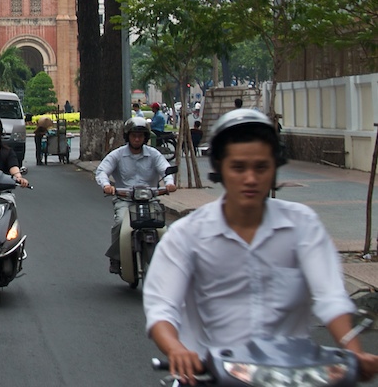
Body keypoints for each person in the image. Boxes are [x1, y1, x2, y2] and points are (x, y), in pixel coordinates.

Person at [143, 109, 378, 384]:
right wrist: (177, 350)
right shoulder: (186, 235)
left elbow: (331, 297)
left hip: (294, 375)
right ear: (219, 169)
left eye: (261, 167)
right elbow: (162, 308)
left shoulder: (302, 225)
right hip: (210, 374)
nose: (251, 179)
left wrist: (353, 353)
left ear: (275, 168)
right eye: (239, 167)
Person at [95, 117, 176, 274]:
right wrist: (106, 185)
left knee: (163, 229)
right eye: (134, 135)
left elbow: (166, 169)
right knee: (119, 223)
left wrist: (169, 183)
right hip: (125, 199)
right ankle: (116, 257)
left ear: (146, 137)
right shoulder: (117, 154)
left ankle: (167, 260)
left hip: (150, 198)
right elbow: (102, 171)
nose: (137, 138)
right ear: (127, 136)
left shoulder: (154, 154)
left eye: (141, 135)